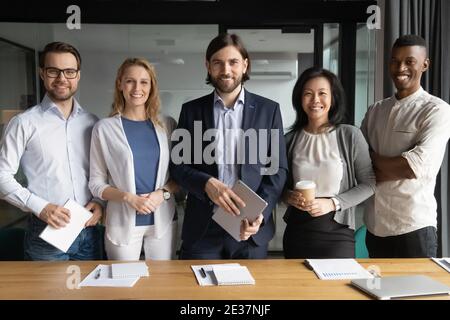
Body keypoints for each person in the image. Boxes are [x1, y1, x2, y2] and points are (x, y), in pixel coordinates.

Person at [170, 33, 287, 259]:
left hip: (249, 229)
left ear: (245, 65)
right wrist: (206, 183)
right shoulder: (191, 111)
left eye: (233, 62)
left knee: (248, 295)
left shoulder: (268, 110)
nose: (226, 70)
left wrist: (259, 213)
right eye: (218, 62)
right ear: (208, 66)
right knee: (197, 294)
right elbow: (178, 167)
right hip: (203, 229)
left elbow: (278, 169)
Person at [0, 42, 102, 260]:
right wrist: (41, 207)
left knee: (92, 295)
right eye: (53, 71)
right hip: (45, 235)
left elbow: (102, 174)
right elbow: (2, 176)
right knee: (50, 295)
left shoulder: (93, 122)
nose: (62, 78)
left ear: (78, 75)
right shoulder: (23, 123)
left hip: (89, 230)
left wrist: (101, 203)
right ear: (42, 74)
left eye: (69, 71)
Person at [361, 35, 450, 258]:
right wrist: (379, 165)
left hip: (413, 228)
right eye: (395, 61)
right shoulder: (375, 111)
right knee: (378, 293)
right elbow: (357, 161)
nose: (400, 68)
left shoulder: (437, 110)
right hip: (375, 227)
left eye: (409, 61)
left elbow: (412, 167)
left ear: (425, 64)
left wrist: (372, 163)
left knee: (415, 294)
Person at [89, 58, 178, 260]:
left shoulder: (167, 125)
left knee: (162, 284)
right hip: (121, 222)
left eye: (144, 82)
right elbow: (96, 184)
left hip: (162, 221)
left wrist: (161, 194)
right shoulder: (104, 128)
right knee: (123, 285)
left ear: (151, 87)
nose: (137, 88)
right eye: (130, 81)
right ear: (120, 84)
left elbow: (180, 177)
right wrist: (129, 198)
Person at [282, 67, 376, 259]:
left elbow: (370, 184)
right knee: (296, 289)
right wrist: (288, 196)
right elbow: (279, 187)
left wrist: (333, 203)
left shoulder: (350, 135)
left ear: (333, 98)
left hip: (337, 233)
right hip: (297, 232)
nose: (315, 100)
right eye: (308, 94)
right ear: (300, 99)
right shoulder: (289, 140)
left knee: (336, 288)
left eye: (322, 93)